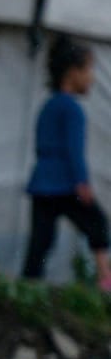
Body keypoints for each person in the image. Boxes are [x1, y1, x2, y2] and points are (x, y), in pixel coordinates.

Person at [21, 34, 111, 287]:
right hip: (65, 184)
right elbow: (74, 149)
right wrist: (82, 182)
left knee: (40, 242)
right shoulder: (72, 109)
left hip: (41, 184)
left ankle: (28, 286)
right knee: (98, 225)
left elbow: (41, 145)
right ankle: (106, 280)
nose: (92, 77)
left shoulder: (48, 106)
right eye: (89, 70)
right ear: (72, 73)